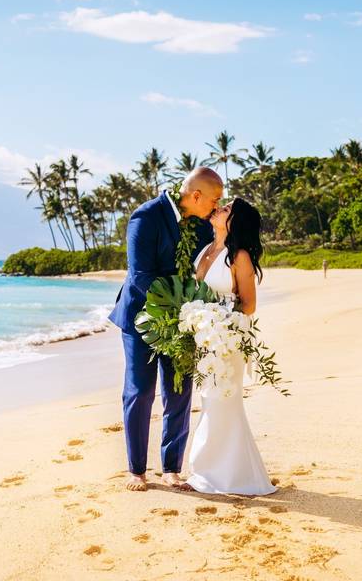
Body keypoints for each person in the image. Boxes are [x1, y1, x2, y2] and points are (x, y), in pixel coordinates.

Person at [108, 167, 222, 492]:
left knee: (179, 391)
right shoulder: (145, 216)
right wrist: (182, 308)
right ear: (195, 195)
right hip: (140, 316)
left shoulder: (202, 222)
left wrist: (193, 312)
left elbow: (202, 268)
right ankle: (136, 470)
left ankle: (171, 468)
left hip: (182, 316)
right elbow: (141, 275)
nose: (216, 205)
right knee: (140, 391)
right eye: (214, 199)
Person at [185, 197, 278, 496]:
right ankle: (212, 472)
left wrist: (217, 321)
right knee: (210, 400)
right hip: (205, 337)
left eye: (227, 210)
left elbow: (248, 306)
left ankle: (219, 475)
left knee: (222, 401)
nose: (219, 209)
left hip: (227, 340)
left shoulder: (238, 256)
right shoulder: (206, 251)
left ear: (234, 222)